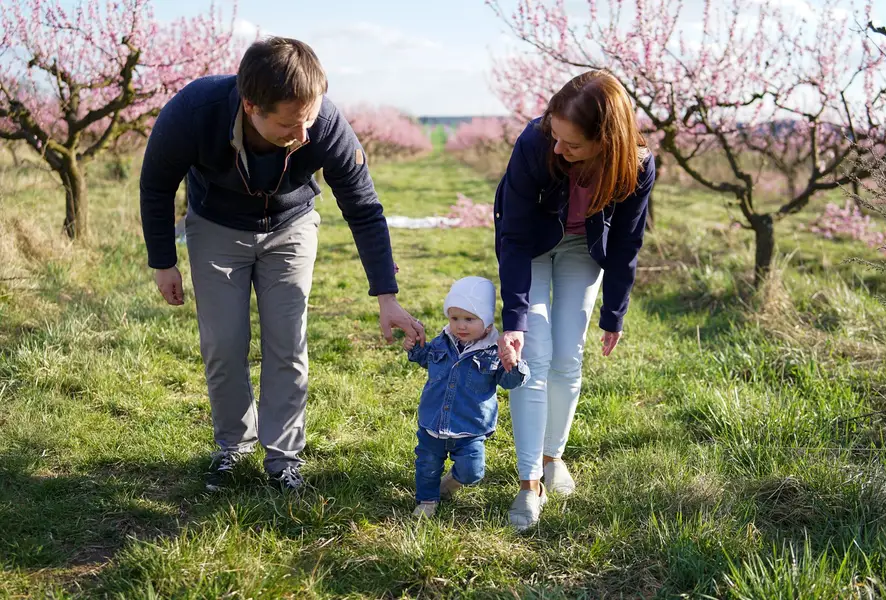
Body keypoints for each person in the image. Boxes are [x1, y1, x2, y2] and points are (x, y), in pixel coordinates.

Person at [139, 37, 424, 493]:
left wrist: (386, 296)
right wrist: (163, 261)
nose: (305, 134)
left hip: (291, 227)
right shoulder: (195, 110)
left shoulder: (324, 121)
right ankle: (232, 449)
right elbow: (155, 185)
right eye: (291, 124)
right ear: (251, 106)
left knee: (288, 343)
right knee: (224, 343)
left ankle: (283, 458)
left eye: (309, 119)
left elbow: (364, 207)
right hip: (216, 225)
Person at [493, 70, 656, 530]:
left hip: (583, 249)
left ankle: (553, 458)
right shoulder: (535, 143)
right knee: (534, 355)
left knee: (568, 356)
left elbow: (627, 241)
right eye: (556, 137)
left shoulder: (638, 165)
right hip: (531, 246)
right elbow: (515, 235)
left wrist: (615, 312)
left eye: (573, 145)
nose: (559, 150)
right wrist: (515, 321)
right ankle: (528, 484)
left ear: (608, 142)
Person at [404, 277, 529, 518]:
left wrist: (514, 365)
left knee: (473, 472)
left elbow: (509, 382)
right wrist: (415, 348)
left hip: (470, 427)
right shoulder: (443, 341)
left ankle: (451, 483)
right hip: (434, 421)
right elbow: (427, 358)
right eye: (455, 318)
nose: (460, 326)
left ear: (487, 322)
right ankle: (427, 500)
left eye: (469, 319)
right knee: (427, 465)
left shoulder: (495, 351)